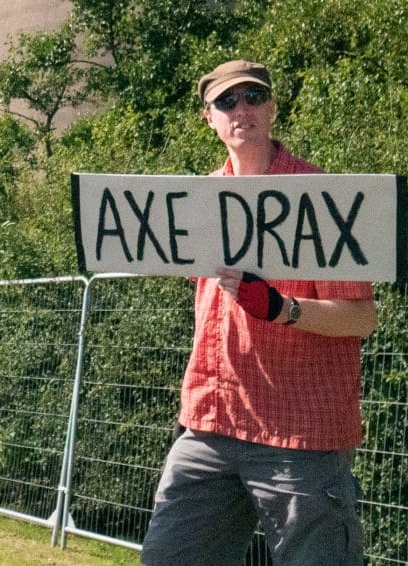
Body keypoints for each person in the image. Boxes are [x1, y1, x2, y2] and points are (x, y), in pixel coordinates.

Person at [140, 60, 377, 566]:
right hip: (207, 424)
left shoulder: (318, 196)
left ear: (271, 106)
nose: (240, 109)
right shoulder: (195, 199)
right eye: (227, 102)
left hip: (300, 436)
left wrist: (280, 308)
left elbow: (361, 318)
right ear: (209, 118)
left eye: (252, 97)